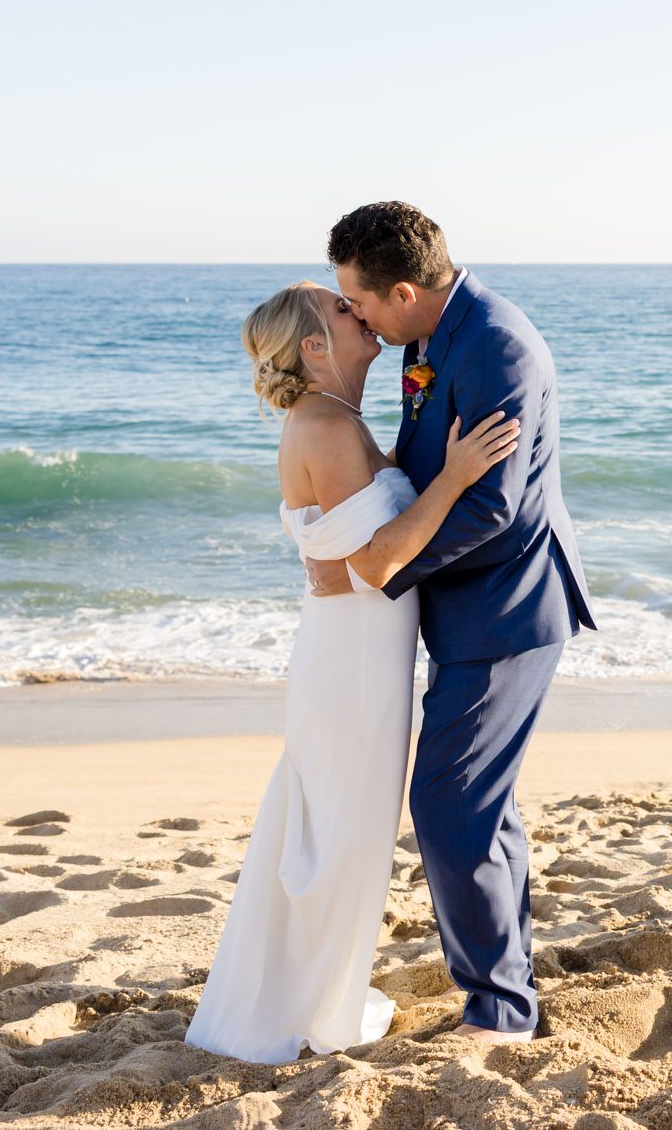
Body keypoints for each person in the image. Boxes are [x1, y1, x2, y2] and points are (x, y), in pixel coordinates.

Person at [184, 279, 521, 1063]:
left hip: (358, 655)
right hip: (355, 666)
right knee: (337, 836)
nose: (358, 310)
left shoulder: (338, 421)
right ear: (313, 346)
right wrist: (456, 474)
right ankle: (302, 1005)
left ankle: (310, 989)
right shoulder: (326, 427)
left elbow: (369, 518)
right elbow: (374, 561)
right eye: (341, 309)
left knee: (335, 830)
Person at [309, 200, 595, 1042]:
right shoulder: (429, 337)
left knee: (447, 800)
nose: (353, 312)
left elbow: (494, 509)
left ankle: (500, 1010)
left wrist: (382, 567)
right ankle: (509, 991)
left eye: (357, 299)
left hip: (507, 606)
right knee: (482, 805)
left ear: (401, 290)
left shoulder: (497, 344)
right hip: (470, 609)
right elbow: (427, 458)